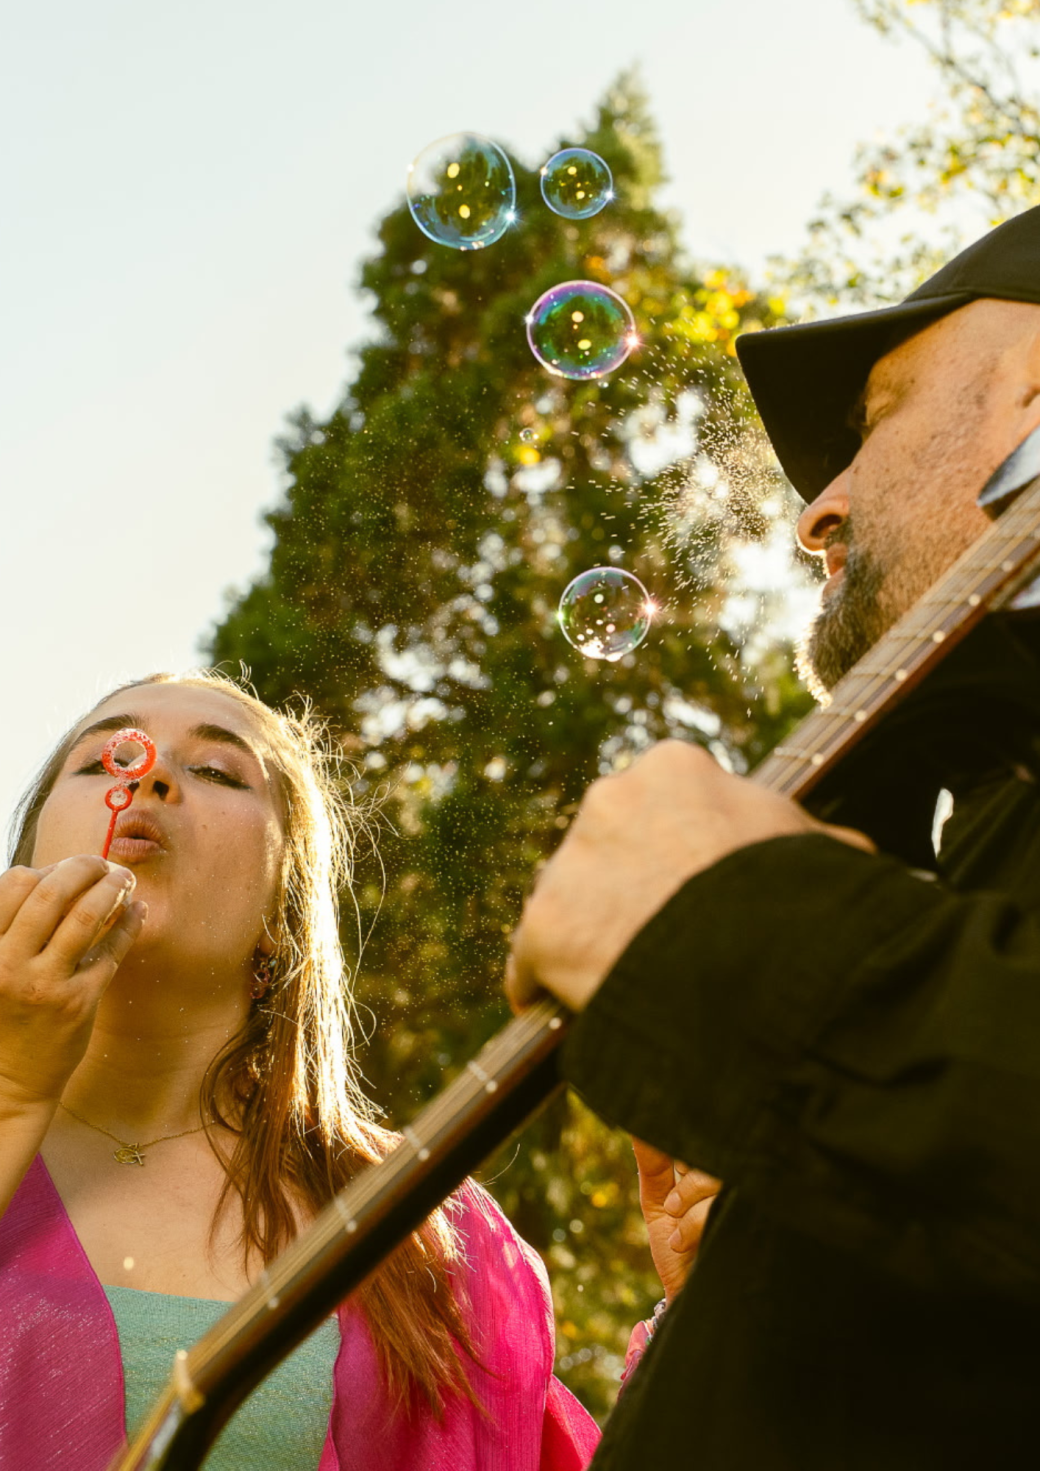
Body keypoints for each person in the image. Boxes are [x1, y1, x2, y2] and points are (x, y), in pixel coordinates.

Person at [507, 205, 1040, 1467]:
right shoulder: (977, 817)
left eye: (873, 421)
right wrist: (780, 1289)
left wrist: (738, 951)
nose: (817, 511)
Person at [0, 670, 600, 1470]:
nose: (149, 772)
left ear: (283, 914)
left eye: (216, 770)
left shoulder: (424, 1228)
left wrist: (705, 1301)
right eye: (103, 757)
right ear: (26, 861)